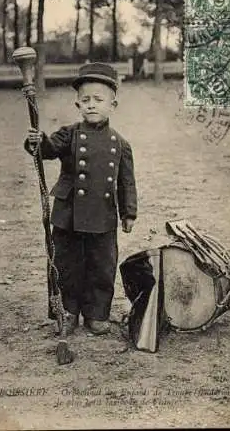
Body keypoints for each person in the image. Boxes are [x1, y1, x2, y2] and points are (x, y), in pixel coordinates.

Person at [24, 62, 138, 336]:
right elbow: (49, 150)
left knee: (102, 266)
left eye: (98, 100)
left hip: (103, 216)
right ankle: (68, 310)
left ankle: (97, 313)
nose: (91, 105)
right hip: (69, 214)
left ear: (113, 104)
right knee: (68, 264)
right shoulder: (70, 134)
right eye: (85, 100)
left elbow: (126, 182)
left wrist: (129, 213)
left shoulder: (120, 143)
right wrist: (37, 141)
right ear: (77, 104)